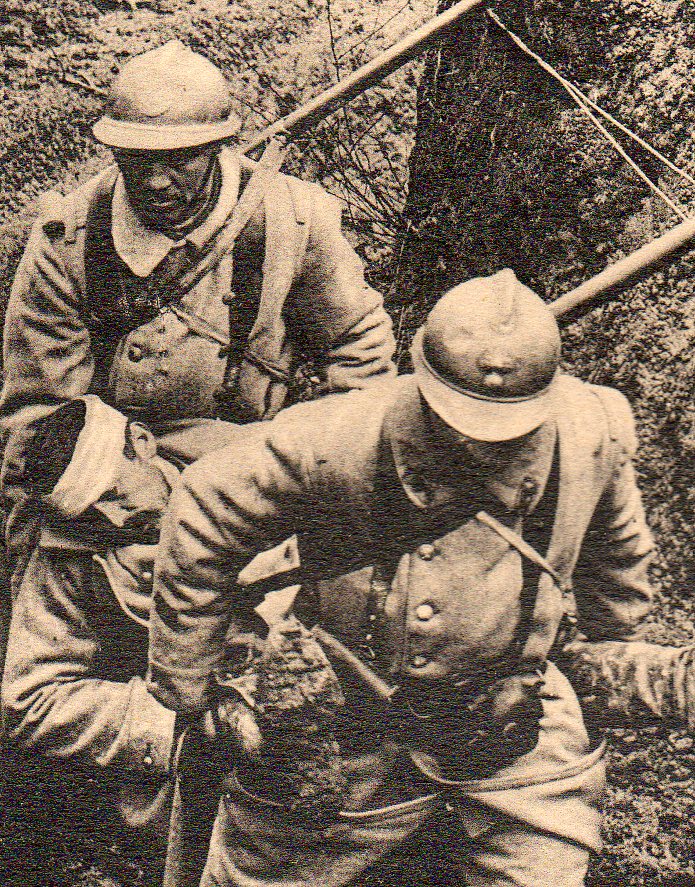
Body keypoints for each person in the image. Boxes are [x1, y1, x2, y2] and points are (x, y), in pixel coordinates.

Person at [147, 267, 667, 887]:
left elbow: (619, 554)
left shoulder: (593, 429)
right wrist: (194, 682)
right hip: (343, 725)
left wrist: (604, 657)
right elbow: (206, 508)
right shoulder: (335, 436)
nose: (481, 443)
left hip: (510, 731)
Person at [0, 38, 395, 842]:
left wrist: (312, 469)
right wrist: (142, 501)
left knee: (352, 617)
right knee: (51, 647)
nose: (155, 180)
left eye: (180, 159)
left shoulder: (291, 222)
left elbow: (360, 350)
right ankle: (140, 778)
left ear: (221, 146)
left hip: (263, 465)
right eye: (134, 158)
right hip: (116, 475)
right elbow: (38, 418)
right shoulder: (67, 243)